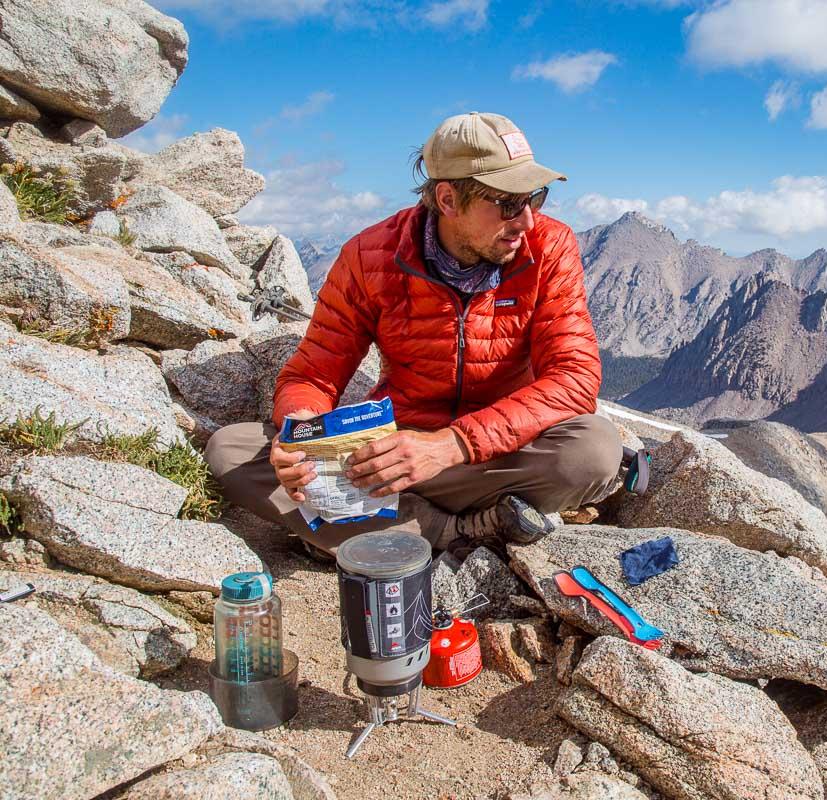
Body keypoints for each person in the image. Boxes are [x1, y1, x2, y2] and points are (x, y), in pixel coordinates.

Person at [204, 112, 623, 559]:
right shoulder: (369, 257)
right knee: (231, 451)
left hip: (498, 450)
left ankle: (368, 530)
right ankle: (464, 531)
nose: (526, 221)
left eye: (534, 198)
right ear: (447, 199)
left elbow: (574, 380)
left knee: (593, 450)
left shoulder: (549, 248)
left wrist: (451, 445)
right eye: (507, 203)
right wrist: (300, 437)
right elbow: (312, 375)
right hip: (396, 451)